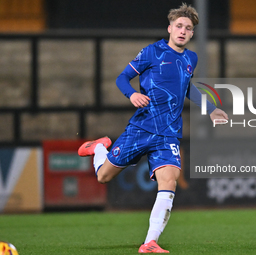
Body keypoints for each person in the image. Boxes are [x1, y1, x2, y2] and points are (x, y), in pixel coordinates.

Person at [78, 3, 228, 253]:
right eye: (179, 26)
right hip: (141, 128)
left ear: (192, 34)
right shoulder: (152, 52)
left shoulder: (191, 58)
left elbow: (187, 87)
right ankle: (100, 149)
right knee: (103, 177)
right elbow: (121, 78)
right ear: (170, 28)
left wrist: (211, 108)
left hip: (168, 133)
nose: (182, 31)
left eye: (188, 28)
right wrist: (132, 95)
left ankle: (150, 242)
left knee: (169, 180)